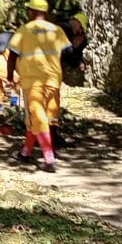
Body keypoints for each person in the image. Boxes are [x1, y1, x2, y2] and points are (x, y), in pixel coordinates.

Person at [6, 0, 71, 173]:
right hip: (53, 81)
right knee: (42, 118)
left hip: (32, 81)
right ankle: (25, 152)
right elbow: (68, 53)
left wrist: (10, 77)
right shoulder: (57, 30)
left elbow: (12, 55)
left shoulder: (24, 31)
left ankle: (49, 159)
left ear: (31, 12)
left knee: (37, 117)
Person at [52, 10, 89, 147]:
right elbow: (66, 52)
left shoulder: (58, 27)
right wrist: (78, 62)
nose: (79, 33)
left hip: (43, 72)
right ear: (78, 24)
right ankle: (52, 138)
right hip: (51, 73)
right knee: (52, 107)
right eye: (80, 31)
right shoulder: (64, 30)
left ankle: (44, 136)